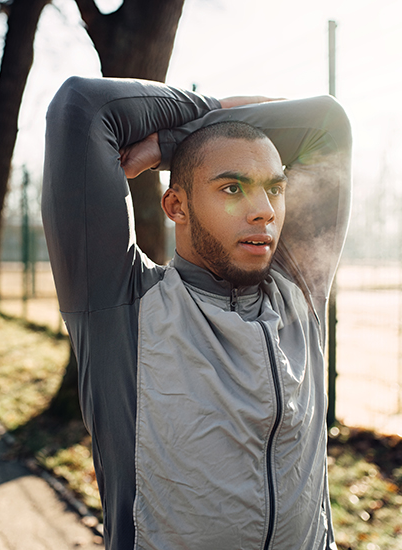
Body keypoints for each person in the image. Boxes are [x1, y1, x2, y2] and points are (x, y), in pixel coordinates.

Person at [42, 77, 352, 550]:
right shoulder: (120, 307)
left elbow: (325, 122)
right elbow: (83, 106)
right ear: (176, 205)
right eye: (232, 188)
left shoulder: (298, 292)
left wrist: (170, 144)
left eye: (275, 187)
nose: (264, 211)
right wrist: (199, 130)